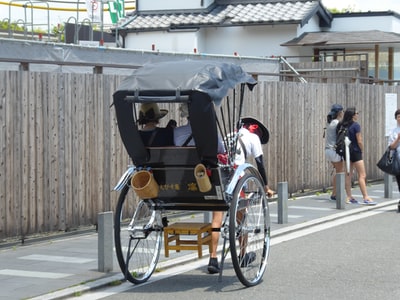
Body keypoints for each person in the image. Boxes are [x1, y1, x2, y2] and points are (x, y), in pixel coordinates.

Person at [208, 117, 274, 274]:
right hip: (236, 178)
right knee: (241, 217)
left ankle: (212, 258)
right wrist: (266, 186)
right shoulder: (253, 138)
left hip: (220, 176)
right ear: (255, 129)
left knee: (217, 217)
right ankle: (243, 255)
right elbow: (260, 164)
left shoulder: (230, 135)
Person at [338, 107, 376, 205]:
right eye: (357, 113)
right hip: (355, 151)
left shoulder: (342, 125)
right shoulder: (356, 126)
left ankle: (349, 197)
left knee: (348, 174)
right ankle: (366, 197)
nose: (358, 114)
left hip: (346, 151)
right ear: (353, 115)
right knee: (362, 175)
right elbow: (359, 140)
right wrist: (362, 149)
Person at [324, 104, 345, 201]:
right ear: (340, 113)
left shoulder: (329, 123)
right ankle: (334, 194)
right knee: (340, 172)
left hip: (328, 150)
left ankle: (335, 192)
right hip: (334, 150)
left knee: (338, 171)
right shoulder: (338, 123)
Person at [387, 109, 400, 191]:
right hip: (398, 161)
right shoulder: (393, 132)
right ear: (396, 118)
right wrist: (398, 139)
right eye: (399, 117)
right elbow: (391, 147)